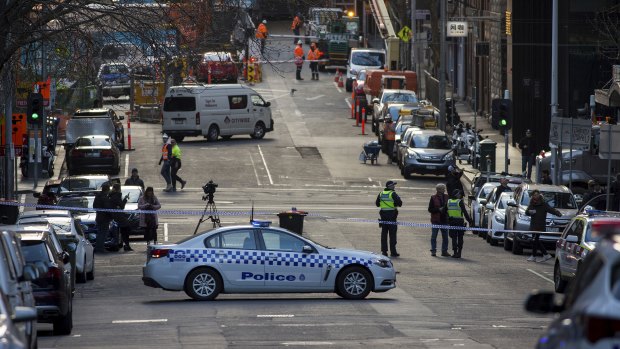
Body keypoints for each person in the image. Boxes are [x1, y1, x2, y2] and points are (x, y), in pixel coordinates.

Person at [525, 190, 562, 262]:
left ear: (539, 195)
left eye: (537, 194)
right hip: (533, 224)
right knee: (535, 240)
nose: (536, 196)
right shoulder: (531, 203)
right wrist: (529, 212)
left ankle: (542, 254)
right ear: (532, 196)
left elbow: (551, 209)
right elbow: (527, 212)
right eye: (534, 195)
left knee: (535, 240)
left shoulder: (543, 204)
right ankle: (538, 255)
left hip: (540, 224)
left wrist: (558, 213)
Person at [375, 181, 403, 257]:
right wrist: (394, 203)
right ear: (390, 186)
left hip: (383, 216)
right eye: (393, 185)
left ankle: (384, 252)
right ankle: (393, 252)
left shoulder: (381, 193)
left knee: (384, 234)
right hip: (392, 216)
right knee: (392, 235)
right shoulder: (393, 193)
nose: (394, 186)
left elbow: (377, 204)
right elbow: (400, 203)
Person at [446, 189, 473, 258]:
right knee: (460, 237)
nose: (460, 195)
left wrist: (448, 218)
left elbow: (444, 211)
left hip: (452, 221)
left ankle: (455, 253)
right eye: (459, 194)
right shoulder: (459, 202)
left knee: (454, 238)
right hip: (460, 222)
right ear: (457, 195)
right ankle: (459, 252)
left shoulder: (448, 201)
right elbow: (465, 212)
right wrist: (470, 221)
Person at [428, 183, 450, 257]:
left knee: (445, 237)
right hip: (436, 221)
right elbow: (430, 209)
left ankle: (444, 251)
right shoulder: (433, 197)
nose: (444, 190)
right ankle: (433, 251)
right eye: (443, 189)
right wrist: (438, 209)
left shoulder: (447, 197)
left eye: (444, 188)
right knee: (434, 236)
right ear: (438, 190)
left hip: (445, 220)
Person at [109, 183, 132, 251]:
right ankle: (125, 245)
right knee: (126, 228)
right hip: (118, 216)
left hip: (116, 216)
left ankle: (123, 244)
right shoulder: (116, 196)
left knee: (120, 230)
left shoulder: (112, 195)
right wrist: (125, 199)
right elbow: (122, 206)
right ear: (118, 189)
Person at [93, 183, 111, 253]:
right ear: (107, 189)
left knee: (100, 233)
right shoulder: (104, 197)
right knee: (103, 233)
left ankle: (98, 247)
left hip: (99, 217)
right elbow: (108, 208)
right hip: (104, 218)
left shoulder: (97, 196)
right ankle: (100, 248)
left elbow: (94, 206)